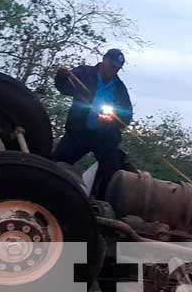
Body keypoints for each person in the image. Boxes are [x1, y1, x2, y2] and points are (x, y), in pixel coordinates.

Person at [53, 48, 133, 198]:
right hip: (79, 132)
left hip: (105, 138)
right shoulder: (84, 73)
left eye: (117, 68)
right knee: (56, 162)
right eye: (111, 65)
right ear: (104, 60)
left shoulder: (120, 88)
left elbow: (127, 115)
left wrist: (111, 121)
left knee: (112, 171)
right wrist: (61, 78)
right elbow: (66, 88)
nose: (113, 70)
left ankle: (102, 204)